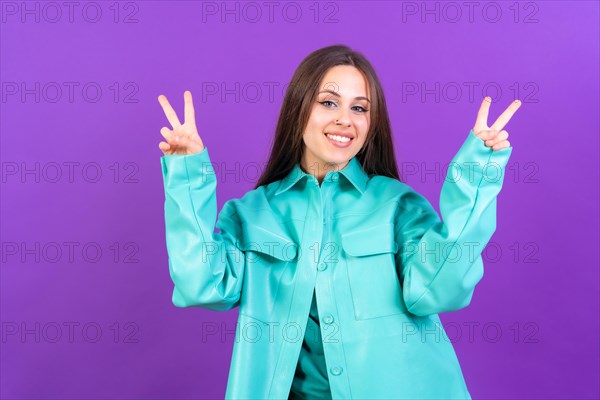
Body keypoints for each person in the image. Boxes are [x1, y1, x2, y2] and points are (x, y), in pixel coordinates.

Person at [157, 44, 521, 400]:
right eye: (328, 102)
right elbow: (200, 285)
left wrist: (476, 176)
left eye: (359, 108)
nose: (344, 119)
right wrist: (187, 174)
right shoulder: (252, 213)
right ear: (299, 108)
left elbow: (439, 289)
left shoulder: (398, 206)